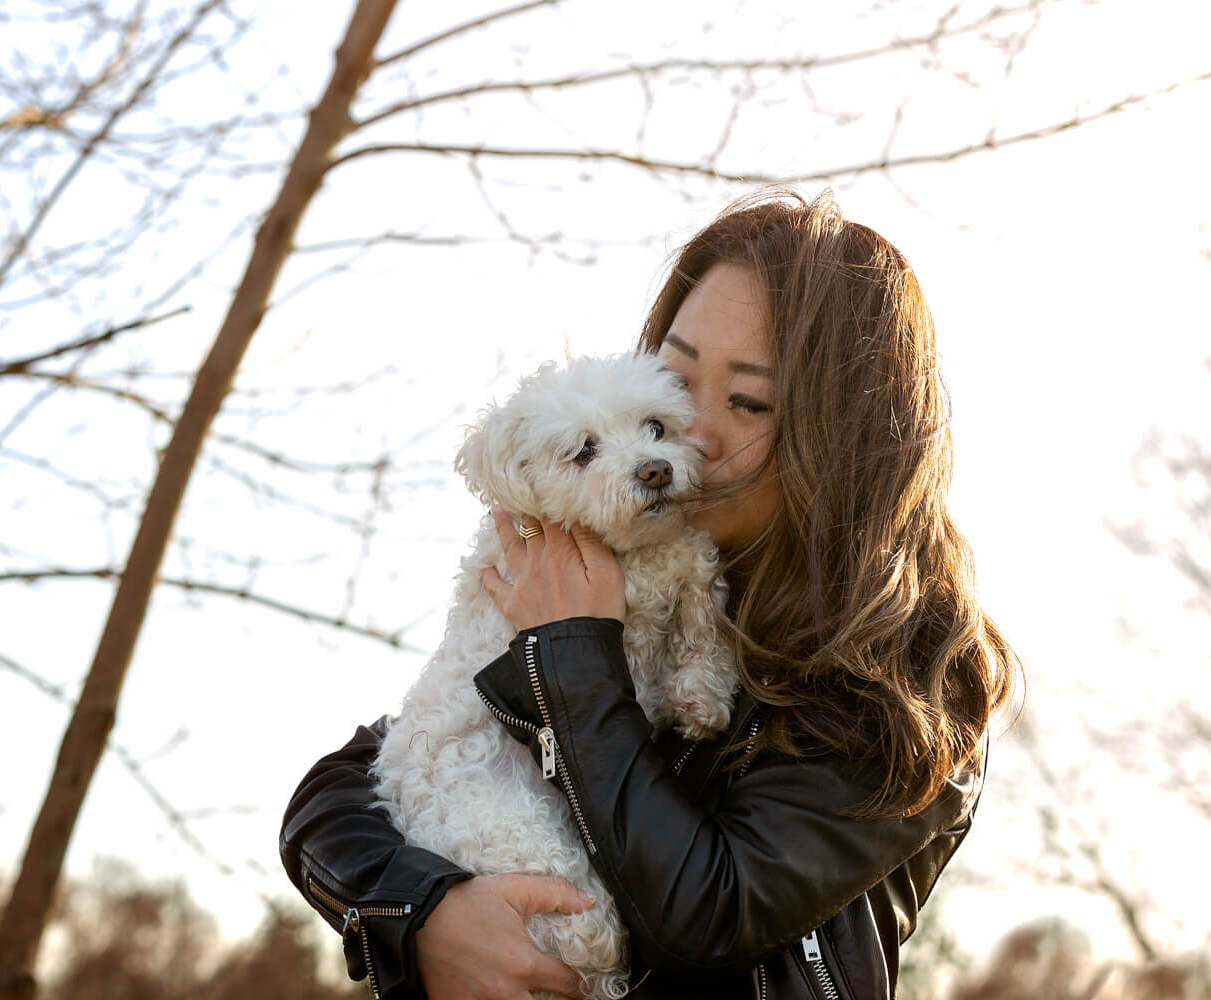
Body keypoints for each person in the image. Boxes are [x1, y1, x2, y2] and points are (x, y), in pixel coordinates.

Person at [280, 188, 1020, 1000]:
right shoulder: (625, 564)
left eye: (747, 402)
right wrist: (424, 915)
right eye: (675, 379)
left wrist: (572, 654)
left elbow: (710, 910)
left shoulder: (908, 672)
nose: (687, 435)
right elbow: (341, 788)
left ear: (844, 440)